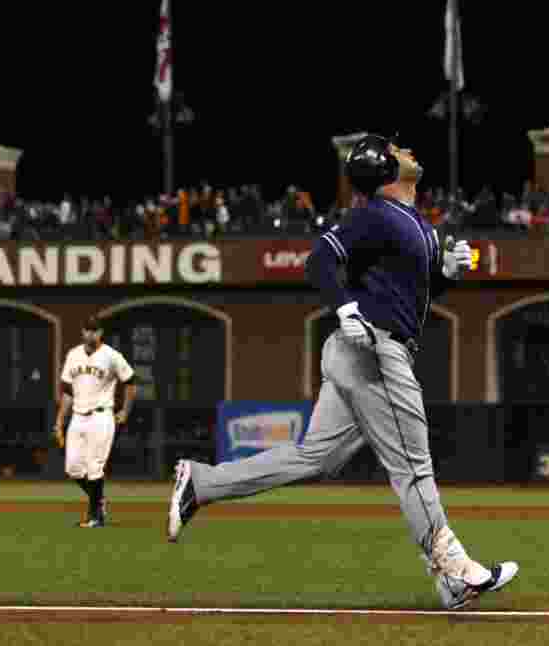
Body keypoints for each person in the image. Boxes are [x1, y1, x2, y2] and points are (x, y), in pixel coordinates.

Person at [166, 133, 518, 609]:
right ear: (385, 169)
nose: (409, 150)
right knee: (413, 465)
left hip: (369, 349)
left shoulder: (413, 221)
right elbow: (320, 260)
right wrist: (346, 307)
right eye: (398, 149)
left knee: (317, 457)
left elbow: (413, 294)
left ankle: (202, 484)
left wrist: (446, 274)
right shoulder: (376, 213)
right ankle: (455, 571)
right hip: (375, 351)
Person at [54, 316, 137, 527]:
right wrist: (60, 420)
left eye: (95, 330)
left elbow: (130, 382)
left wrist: (125, 411)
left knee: (94, 467)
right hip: (77, 417)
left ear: (101, 333)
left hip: (101, 416)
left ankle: (95, 517)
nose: (91, 333)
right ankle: (99, 500)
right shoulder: (73, 355)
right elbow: (67, 392)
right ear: (82, 332)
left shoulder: (111, 355)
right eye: (87, 329)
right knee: (73, 467)